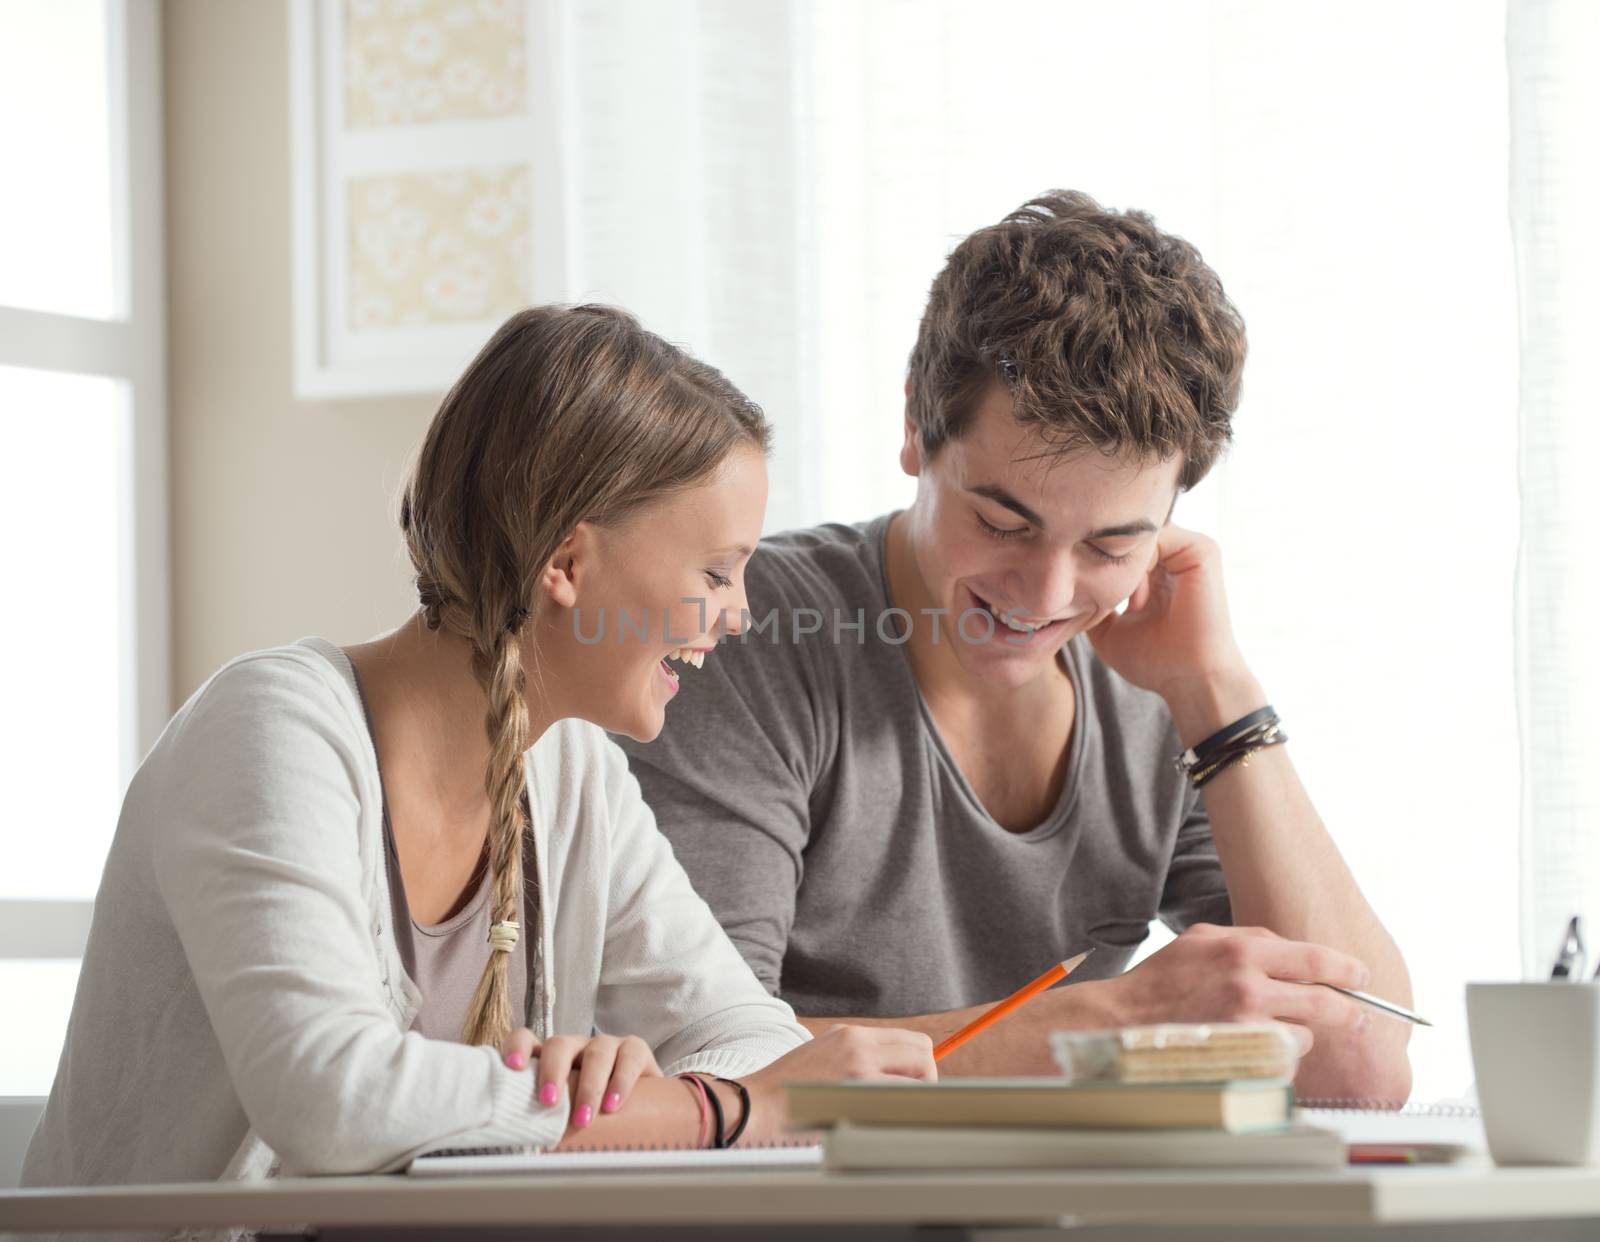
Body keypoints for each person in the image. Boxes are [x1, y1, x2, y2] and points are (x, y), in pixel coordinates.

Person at [21, 306, 936, 1202]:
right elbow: (330, 1096)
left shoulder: (574, 773)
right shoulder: (272, 730)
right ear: (568, 564)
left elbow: (754, 1040)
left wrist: (631, 1087)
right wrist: (702, 1111)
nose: (740, 613)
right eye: (715, 572)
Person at [615, 191, 1414, 1102]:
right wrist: (1107, 1025)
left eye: (1113, 545)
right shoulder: (749, 642)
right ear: (917, 425)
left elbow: (1364, 1069)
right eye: (1003, 521)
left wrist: (1219, 696)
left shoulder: (1156, 680)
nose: (1046, 596)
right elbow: (694, 1058)